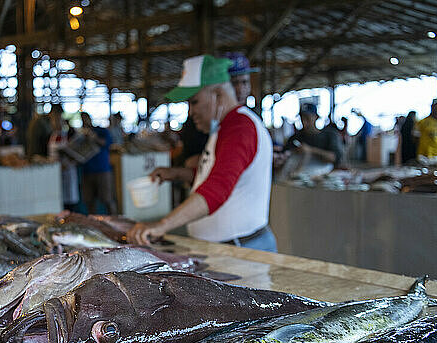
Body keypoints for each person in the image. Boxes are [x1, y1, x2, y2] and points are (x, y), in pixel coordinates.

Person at [127, 54, 276, 252]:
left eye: (194, 102)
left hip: (242, 250)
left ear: (218, 94)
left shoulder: (240, 128)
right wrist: (178, 174)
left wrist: (161, 225)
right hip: (229, 248)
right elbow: (220, 174)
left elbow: (218, 188)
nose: (191, 112)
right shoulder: (223, 128)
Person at [80, 112, 117, 215]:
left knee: (107, 199)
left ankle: (115, 221)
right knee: (89, 201)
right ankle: (94, 224)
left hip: (102, 170)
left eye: (85, 119)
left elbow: (107, 143)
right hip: (87, 171)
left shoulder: (101, 131)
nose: (84, 122)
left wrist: (94, 137)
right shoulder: (81, 135)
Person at [285, 103, 344, 167]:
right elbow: (286, 154)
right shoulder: (295, 138)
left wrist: (311, 150)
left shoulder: (329, 135)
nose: (304, 122)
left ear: (316, 117)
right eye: (302, 118)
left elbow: (335, 158)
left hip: (324, 173)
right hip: (301, 172)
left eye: (307, 118)